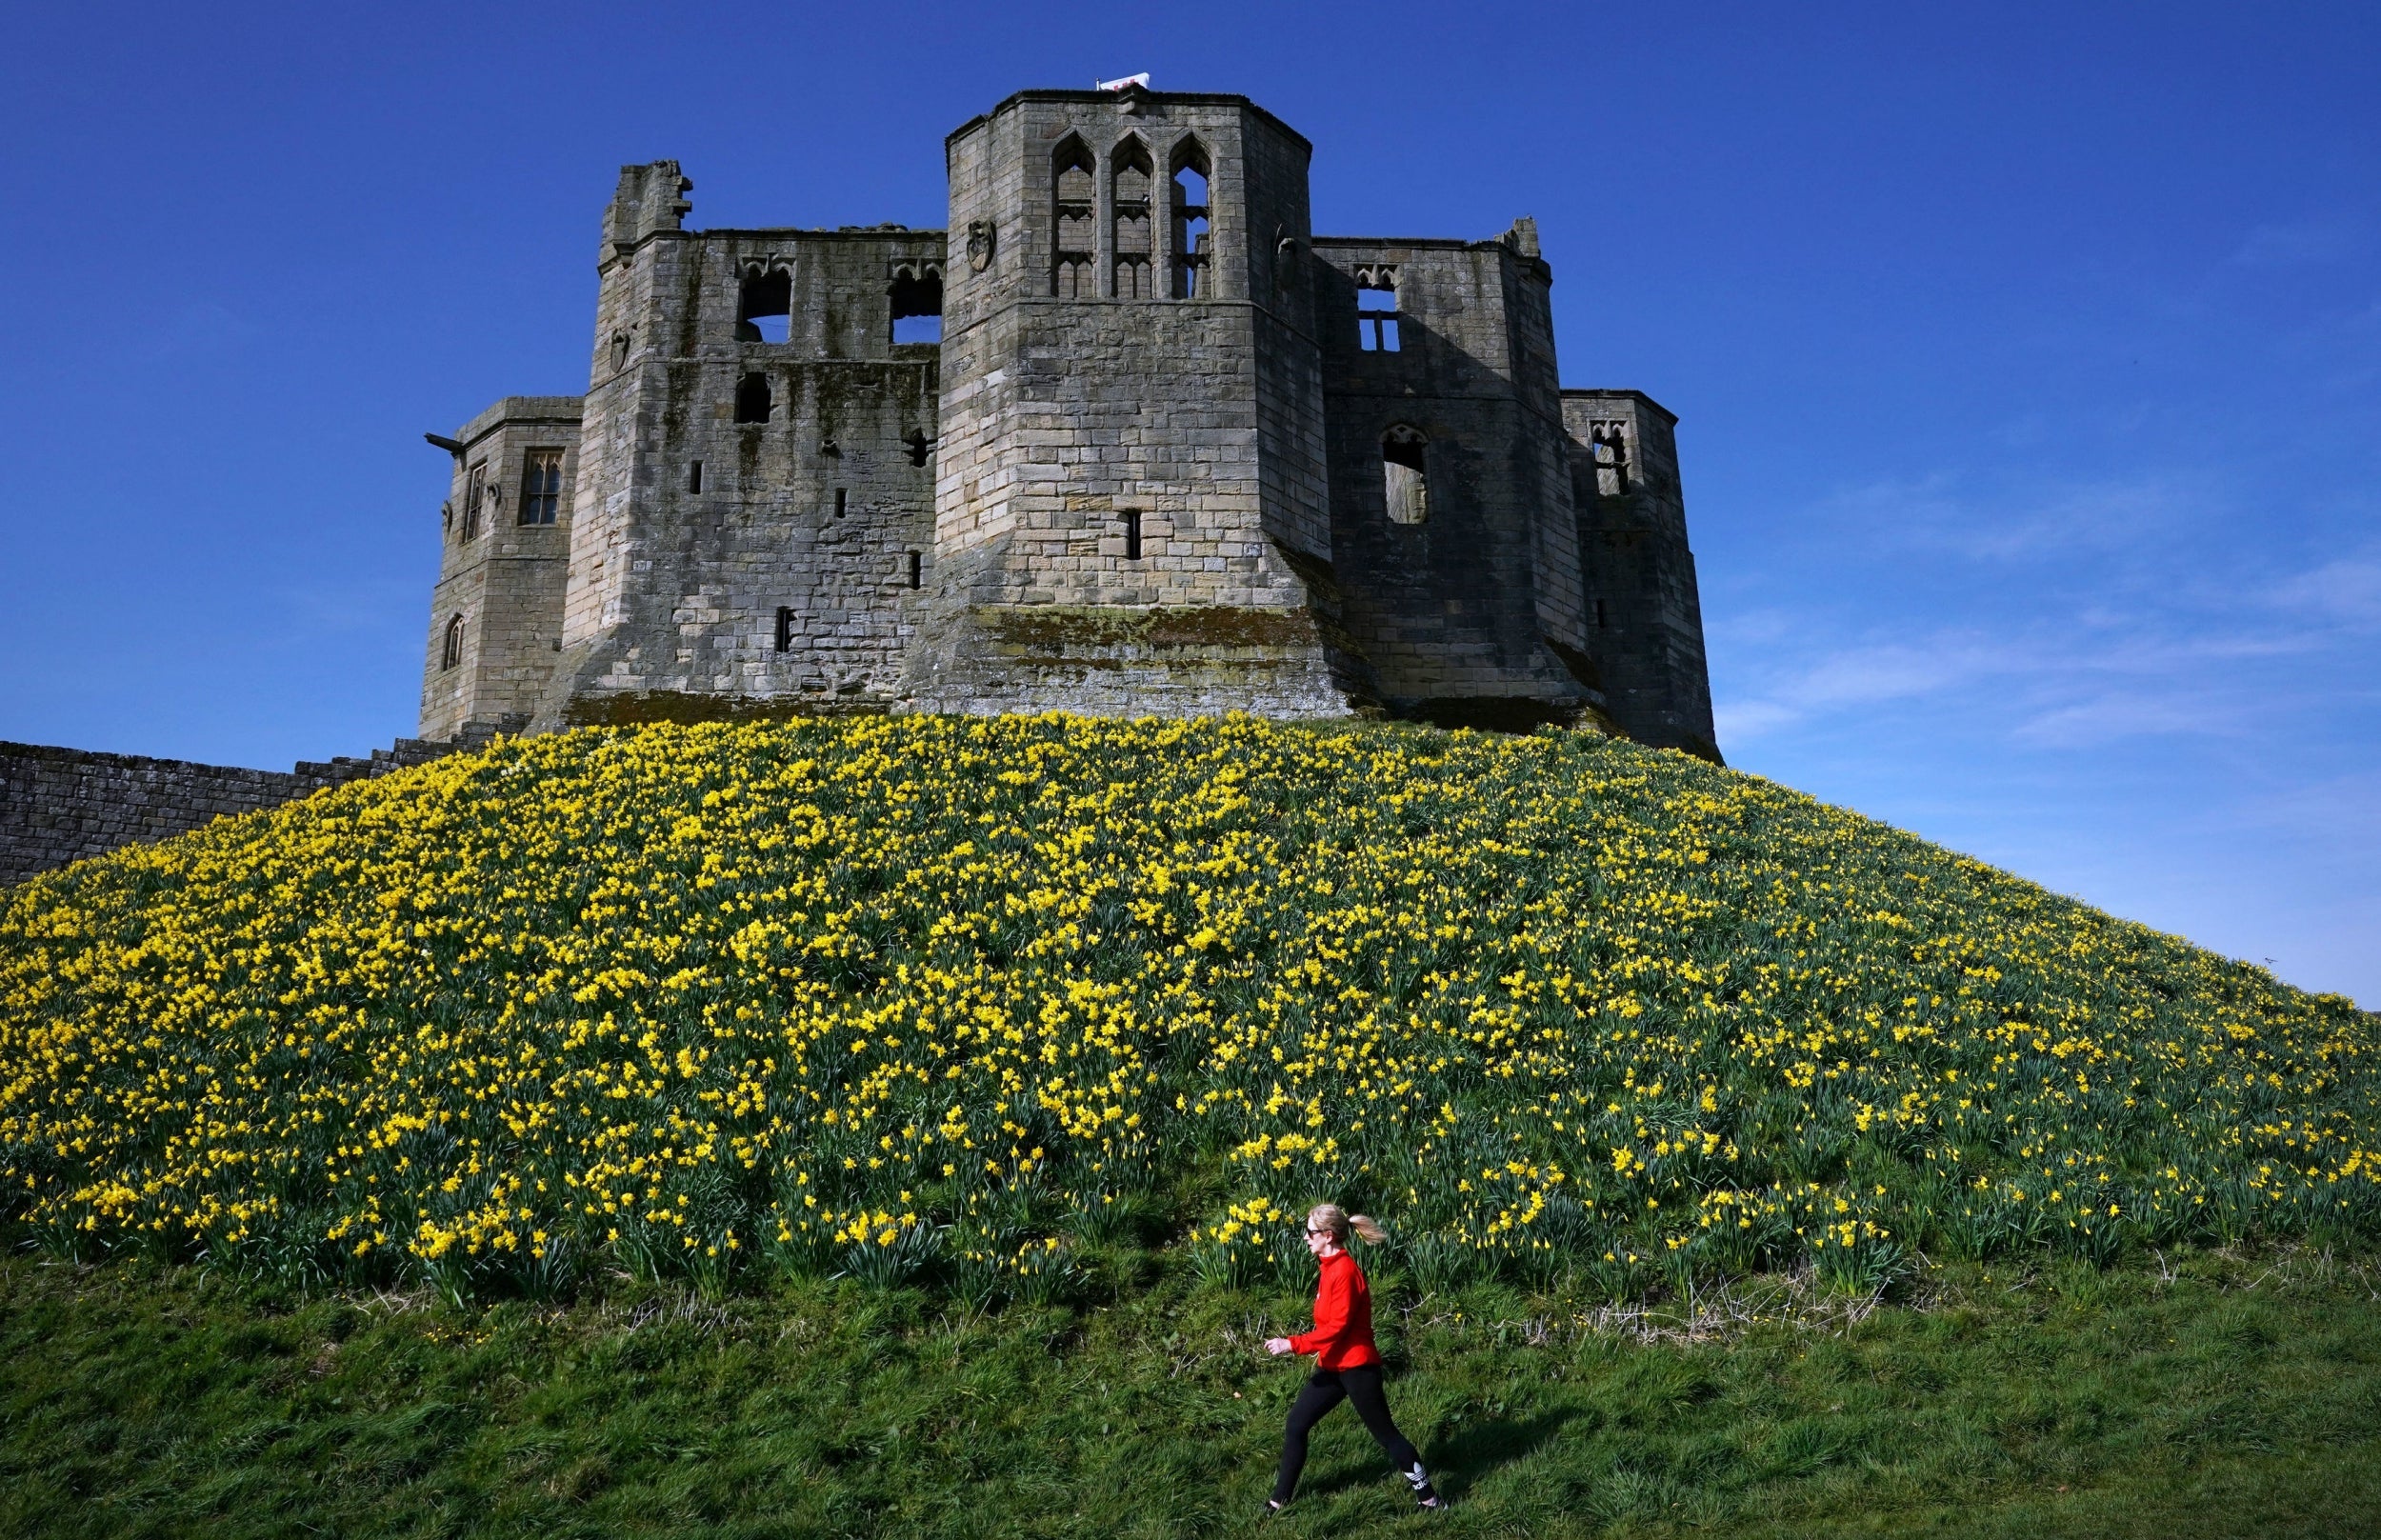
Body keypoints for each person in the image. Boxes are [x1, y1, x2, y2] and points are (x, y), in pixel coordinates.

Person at [1263, 1203, 1442, 1512]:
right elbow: (1329, 1326)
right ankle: (1279, 1501)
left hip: (1358, 1367)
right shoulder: (1327, 1267)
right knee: (1296, 1424)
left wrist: (1292, 1344)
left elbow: (1337, 1328)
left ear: (1328, 1236)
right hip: (1333, 1366)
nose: (1305, 1238)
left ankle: (1430, 1499)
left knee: (1386, 1435)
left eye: (1310, 1232)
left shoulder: (1345, 1273)